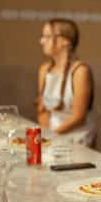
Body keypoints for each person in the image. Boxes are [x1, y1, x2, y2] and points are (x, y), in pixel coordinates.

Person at [36, 18, 95, 146]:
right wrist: (47, 135)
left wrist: (50, 136)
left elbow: (79, 117)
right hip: (52, 137)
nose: (41, 41)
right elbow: (42, 110)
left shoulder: (80, 71)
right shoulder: (44, 69)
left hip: (78, 141)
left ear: (65, 41)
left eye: (46, 36)